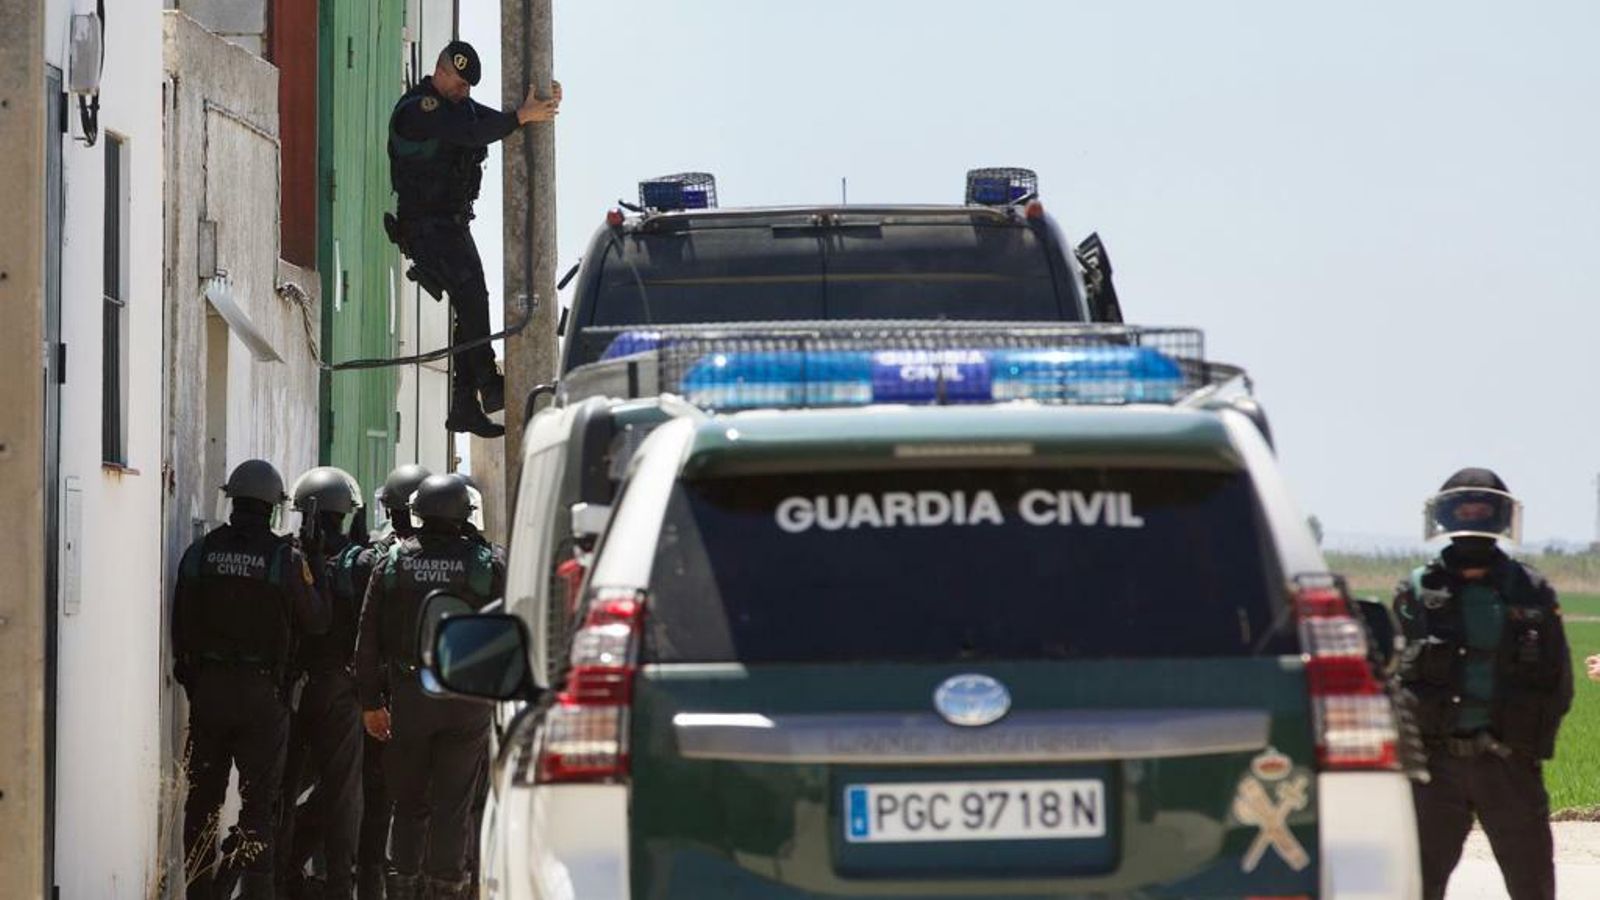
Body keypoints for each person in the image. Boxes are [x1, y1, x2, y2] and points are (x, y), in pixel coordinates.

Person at [1393, 468, 1573, 900]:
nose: (1472, 515)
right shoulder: (1418, 588)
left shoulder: (1530, 590)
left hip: (1509, 763)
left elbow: (1558, 682)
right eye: (1463, 507)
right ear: (1446, 515)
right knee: (1418, 884)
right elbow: (1391, 676)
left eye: (1482, 507)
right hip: (1436, 768)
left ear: (1500, 516)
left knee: (1532, 884)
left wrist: (1528, 747)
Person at [386, 40, 562, 439]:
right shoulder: (419, 109)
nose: (464, 92)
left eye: (467, 87)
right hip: (425, 226)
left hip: (450, 225)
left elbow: (489, 120)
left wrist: (540, 106)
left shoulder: (458, 106)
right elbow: (471, 131)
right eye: (459, 83)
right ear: (441, 71)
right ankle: (486, 381)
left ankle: (465, 405)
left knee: (471, 303)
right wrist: (522, 116)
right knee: (470, 296)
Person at [173, 460, 329, 900]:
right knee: (260, 806)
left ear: (233, 500)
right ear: (272, 508)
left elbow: (180, 626)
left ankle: (200, 893)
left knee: (201, 803)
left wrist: (197, 683)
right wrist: (315, 558)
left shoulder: (201, 552)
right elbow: (317, 621)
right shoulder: (285, 558)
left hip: (210, 694)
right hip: (263, 697)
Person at [354, 474, 506, 900]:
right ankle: (447, 889)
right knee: (453, 806)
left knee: (408, 804)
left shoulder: (394, 561)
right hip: (466, 698)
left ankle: (402, 887)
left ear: (417, 512)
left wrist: (370, 703)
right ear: (465, 514)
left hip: (410, 697)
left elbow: (366, 641)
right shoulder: (488, 562)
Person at [277, 467, 367, 899]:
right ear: (345, 512)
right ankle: (337, 888)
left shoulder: (287, 557)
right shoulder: (359, 560)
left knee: (282, 790)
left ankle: (277, 879)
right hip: (339, 689)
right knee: (342, 794)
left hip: (290, 688)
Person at [348, 463, 432, 900]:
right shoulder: (439, 557)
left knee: (377, 798)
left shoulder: (375, 558)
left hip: (379, 696)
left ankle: (371, 887)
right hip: (425, 695)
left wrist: (368, 698)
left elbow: (361, 633)